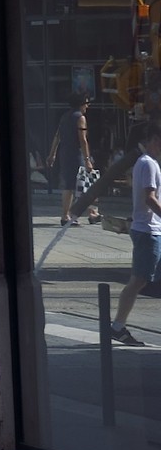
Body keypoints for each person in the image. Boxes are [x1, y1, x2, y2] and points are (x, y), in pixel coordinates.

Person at [110, 121, 161, 346]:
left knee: (140, 280)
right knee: (138, 280)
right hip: (148, 231)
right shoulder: (148, 163)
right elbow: (149, 197)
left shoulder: (146, 162)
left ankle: (117, 326)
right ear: (153, 140)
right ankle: (117, 326)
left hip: (149, 230)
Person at [51, 92, 98, 224]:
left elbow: (57, 136)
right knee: (85, 182)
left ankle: (88, 213)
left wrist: (52, 154)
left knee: (71, 184)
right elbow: (82, 140)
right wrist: (87, 159)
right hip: (77, 155)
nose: (87, 106)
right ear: (81, 104)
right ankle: (72, 215)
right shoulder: (80, 118)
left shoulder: (64, 117)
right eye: (86, 103)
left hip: (65, 153)